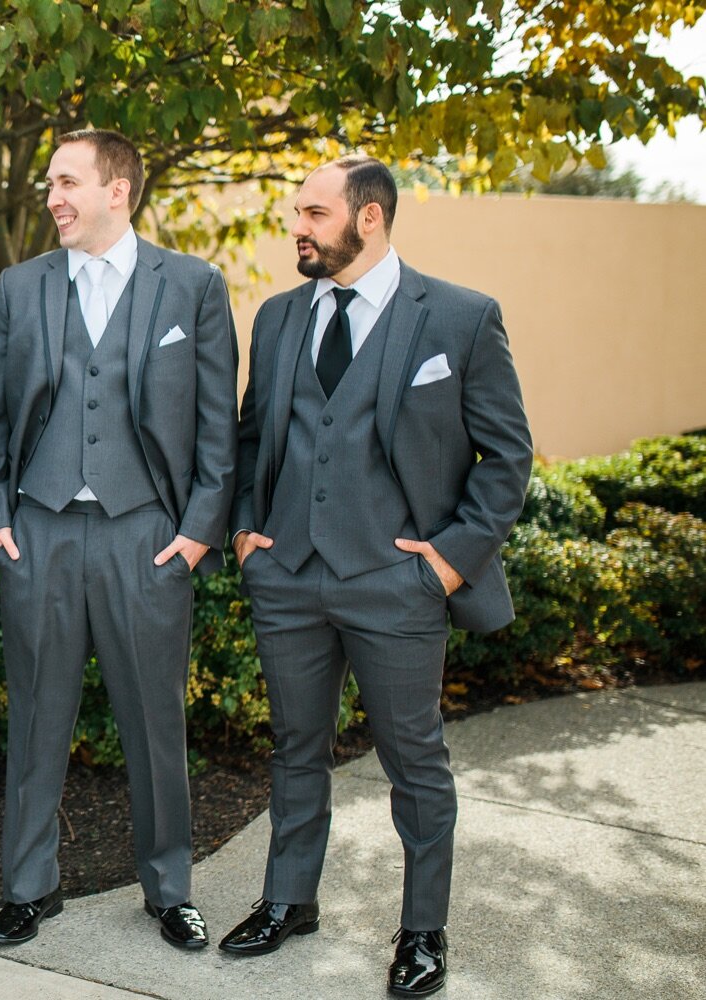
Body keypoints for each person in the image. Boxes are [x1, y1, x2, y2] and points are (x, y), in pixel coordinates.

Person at [219, 155, 532, 996]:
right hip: (287, 576)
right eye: (298, 214)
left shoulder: (461, 319)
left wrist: (450, 563)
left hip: (399, 584)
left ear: (369, 219)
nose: (299, 228)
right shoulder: (281, 317)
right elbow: (255, 436)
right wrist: (250, 531)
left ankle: (423, 931)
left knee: (414, 762)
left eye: (315, 214)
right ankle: (289, 902)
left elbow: (507, 456)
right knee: (295, 750)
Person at [0, 129, 238, 950]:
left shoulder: (192, 286)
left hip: (146, 538)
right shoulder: (22, 286)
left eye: (67, 181)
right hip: (41, 532)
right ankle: (28, 887)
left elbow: (217, 428)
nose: (52, 196)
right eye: (50, 181)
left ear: (117, 190)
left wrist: (196, 535)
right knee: (36, 718)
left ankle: (168, 889)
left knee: (155, 724)